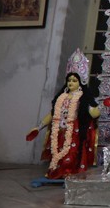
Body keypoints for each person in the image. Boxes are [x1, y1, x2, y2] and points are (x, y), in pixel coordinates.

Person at [27, 49, 100, 179]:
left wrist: (96, 107)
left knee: (71, 153)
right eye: (69, 80)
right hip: (60, 130)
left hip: (74, 132)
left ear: (81, 82)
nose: (71, 83)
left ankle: (70, 173)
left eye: (74, 80)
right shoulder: (61, 97)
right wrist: (38, 127)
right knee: (57, 151)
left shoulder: (83, 98)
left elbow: (94, 114)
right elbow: (53, 114)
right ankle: (57, 172)